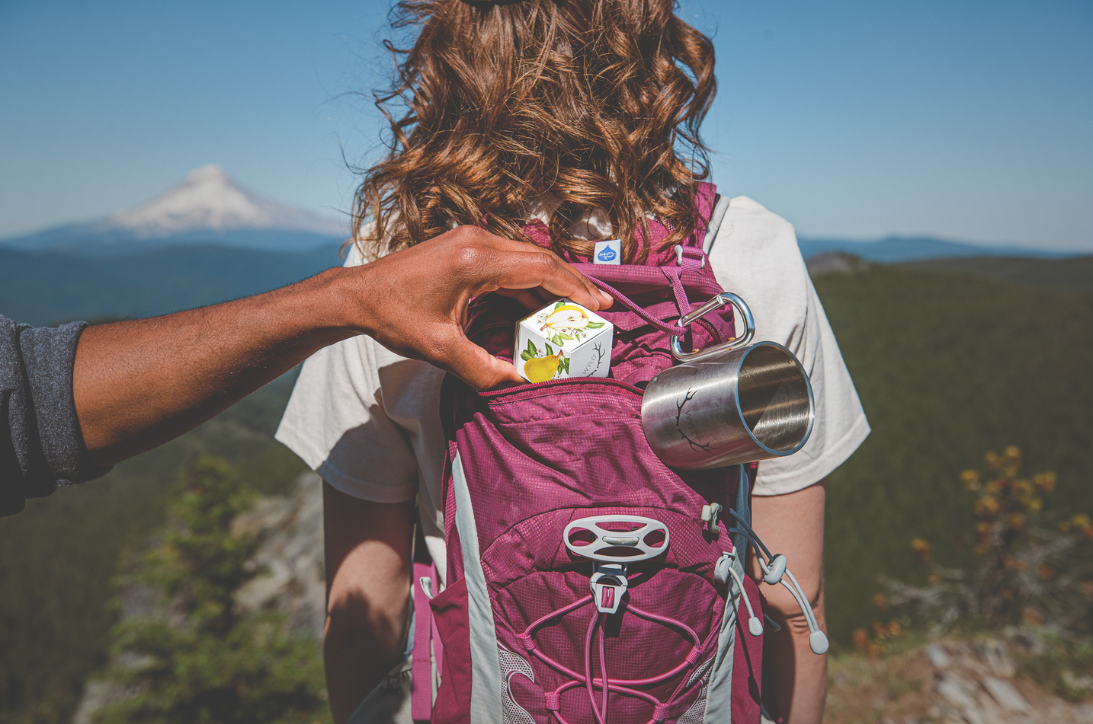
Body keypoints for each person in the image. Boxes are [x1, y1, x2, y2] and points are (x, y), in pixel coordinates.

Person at [275, 2, 870, 723]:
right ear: (653, 54)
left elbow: (364, 600)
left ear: (454, 60)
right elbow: (792, 592)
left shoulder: (396, 263)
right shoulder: (748, 248)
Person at [1, 226, 610, 517]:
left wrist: (350, 294)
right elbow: (34, 399)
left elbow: (31, 402)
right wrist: (345, 298)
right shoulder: (710, 250)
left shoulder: (390, 252)